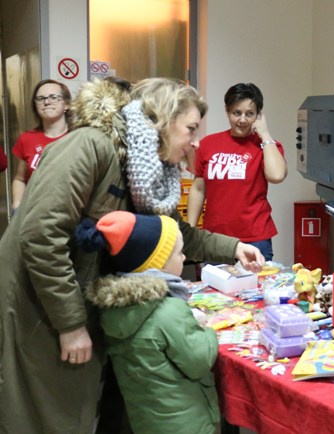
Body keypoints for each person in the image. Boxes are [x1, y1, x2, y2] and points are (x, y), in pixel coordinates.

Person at [0, 77, 264, 434]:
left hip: (76, 298)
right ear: (164, 121)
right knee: (45, 413)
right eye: (190, 128)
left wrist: (233, 247)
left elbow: (175, 232)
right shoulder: (90, 146)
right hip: (37, 302)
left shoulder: (151, 170)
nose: (194, 141)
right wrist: (71, 323)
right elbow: (40, 235)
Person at [80, 211, 220, 434]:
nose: (184, 258)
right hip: (187, 423)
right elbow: (199, 360)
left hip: (145, 422)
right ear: (159, 266)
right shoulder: (169, 310)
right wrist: (207, 330)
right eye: (178, 253)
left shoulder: (112, 310)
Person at [187, 82, 287, 261]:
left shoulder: (266, 146)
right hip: (215, 239)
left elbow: (277, 176)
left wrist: (264, 134)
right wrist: (190, 231)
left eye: (250, 114)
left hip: (255, 239)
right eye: (236, 113)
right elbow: (198, 188)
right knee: (214, 289)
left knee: (256, 289)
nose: (242, 120)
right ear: (227, 111)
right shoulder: (209, 144)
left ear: (258, 115)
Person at [11, 79, 72, 211]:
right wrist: (17, 207)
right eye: (40, 98)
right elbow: (20, 179)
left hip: (72, 216)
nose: (46, 102)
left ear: (66, 104)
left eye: (53, 97)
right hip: (35, 215)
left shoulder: (80, 137)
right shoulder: (26, 139)